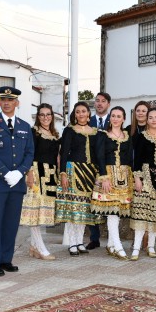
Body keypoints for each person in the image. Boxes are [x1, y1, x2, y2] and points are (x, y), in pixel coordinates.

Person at [0, 87, 34, 277]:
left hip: (17, 183)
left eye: (10, 100)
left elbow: (29, 153)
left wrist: (19, 172)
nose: (7, 102)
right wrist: (5, 173)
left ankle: (6, 259)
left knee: (11, 224)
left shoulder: (25, 126)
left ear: (16, 103)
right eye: (3, 99)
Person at [56, 102, 102, 255]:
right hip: (72, 170)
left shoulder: (96, 132)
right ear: (75, 115)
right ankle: (72, 243)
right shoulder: (69, 131)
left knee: (84, 209)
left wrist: (99, 174)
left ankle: (80, 241)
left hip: (89, 172)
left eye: (84, 111)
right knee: (72, 208)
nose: (81, 114)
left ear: (89, 114)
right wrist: (62, 173)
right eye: (78, 112)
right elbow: (64, 153)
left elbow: (97, 155)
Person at [91, 106, 133, 260]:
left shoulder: (127, 136)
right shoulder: (103, 135)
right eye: (113, 116)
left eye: (118, 116)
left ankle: (110, 244)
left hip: (124, 176)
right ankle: (118, 246)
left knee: (118, 212)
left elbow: (129, 158)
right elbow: (99, 156)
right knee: (112, 212)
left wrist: (132, 177)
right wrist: (104, 177)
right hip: (108, 175)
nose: (115, 118)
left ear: (123, 119)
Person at [20, 103, 59, 261]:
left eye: (48, 114)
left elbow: (56, 157)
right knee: (35, 211)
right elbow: (28, 153)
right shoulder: (34, 132)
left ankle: (34, 246)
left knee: (43, 213)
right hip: (36, 172)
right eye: (42, 115)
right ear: (38, 117)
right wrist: (28, 173)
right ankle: (41, 248)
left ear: (52, 116)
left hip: (50, 175)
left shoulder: (55, 134)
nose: (45, 117)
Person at [130, 107, 156, 260]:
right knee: (141, 213)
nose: (153, 120)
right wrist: (137, 178)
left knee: (155, 214)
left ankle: (151, 246)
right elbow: (136, 159)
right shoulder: (141, 137)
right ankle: (136, 248)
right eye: (150, 117)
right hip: (144, 176)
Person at [85, 91, 111, 250]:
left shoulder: (113, 120)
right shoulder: (88, 121)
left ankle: (112, 238)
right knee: (91, 202)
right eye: (97, 101)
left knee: (109, 202)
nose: (99, 103)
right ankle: (94, 238)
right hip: (91, 167)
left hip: (109, 167)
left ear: (108, 104)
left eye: (103, 101)